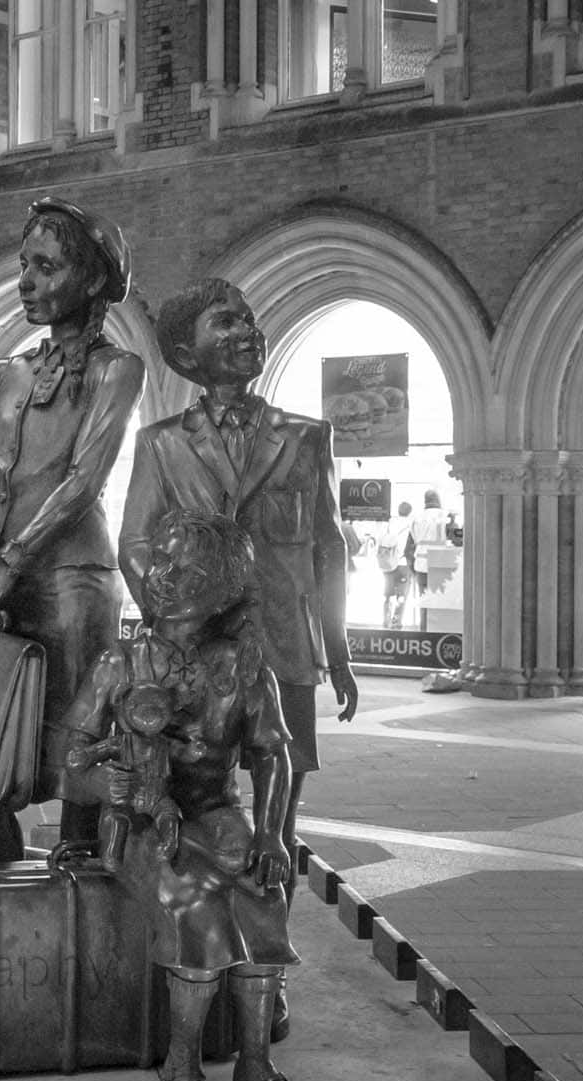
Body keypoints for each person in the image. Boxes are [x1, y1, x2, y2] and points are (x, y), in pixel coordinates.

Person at [66, 509, 310, 1081]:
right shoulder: (120, 662)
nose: (161, 575)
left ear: (219, 586)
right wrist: (105, 783)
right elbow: (66, 758)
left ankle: (257, 1065)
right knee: (194, 899)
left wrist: (274, 835)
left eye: (182, 565)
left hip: (216, 814)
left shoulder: (244, 664)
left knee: (262, 890)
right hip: (142, 822)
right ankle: (182, 1064)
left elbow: (273, 756)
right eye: (160, 559)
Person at [0, 196, 143, 862]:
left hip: (71, 583)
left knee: (76, 745)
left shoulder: (117, 369)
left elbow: (84, 480)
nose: (26, 281)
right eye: (25, 265)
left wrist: (10, 561)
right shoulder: (7, 372)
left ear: (90, 280)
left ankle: (78, 874)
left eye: (46, 267)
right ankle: (0, 869)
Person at [119, 276, 359, 857]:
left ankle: (274, 907)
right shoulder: (162, 443)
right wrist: (172, 619)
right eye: (225, 322)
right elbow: (134, 543)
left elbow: (328, 548)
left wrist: (337, 648)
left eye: (248, 319)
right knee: (194, 792)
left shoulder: (306, 438)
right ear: (185, 355)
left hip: (284, 641)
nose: (247, 331)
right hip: (193, 655)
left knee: (283, 804)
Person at [377, 501, 415, 629]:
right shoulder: (411, 524)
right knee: (401, 595)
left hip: (388, 563)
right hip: (403, 565)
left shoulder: (389, 523)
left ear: (398, 510)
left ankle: (385, 621)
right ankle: (396, 622)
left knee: (387, 594)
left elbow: (380, 540)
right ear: (409, 512)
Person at [409, 488, 450, 594]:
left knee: (423, 599)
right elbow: (455, 539)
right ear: (438, 500)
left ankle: (423, 611)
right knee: (438, 602)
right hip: (440, 563)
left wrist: (412, 569)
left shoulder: (416, 518)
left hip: (421, 564)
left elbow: (411, 544)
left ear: (425, 501)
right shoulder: (446, 516)